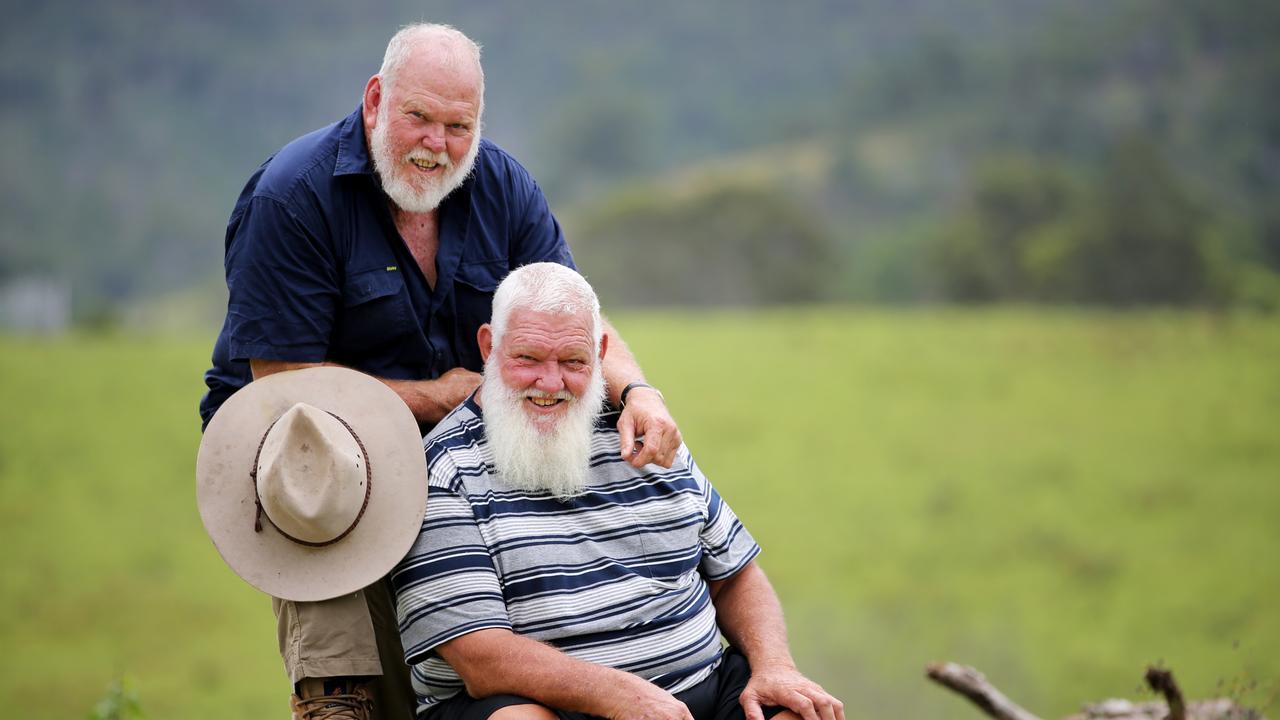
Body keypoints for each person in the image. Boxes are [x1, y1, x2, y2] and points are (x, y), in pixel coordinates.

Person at [197, 23, 681, 720]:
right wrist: (435, 399)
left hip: (459, 433)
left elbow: (573, 315)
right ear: (375, 101)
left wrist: (638, 390)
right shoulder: (291, 196)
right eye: (418, 117)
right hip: (307, 434)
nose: (437, 144)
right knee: (324, 496)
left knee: (486, 624)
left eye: (459, 126)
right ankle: (335, 694)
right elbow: (282, 381)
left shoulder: (503, 186)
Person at [393, 263, 843, 720]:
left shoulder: (647, 433)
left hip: (697, 695)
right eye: (527, 358)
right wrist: (620, 696)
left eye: (572, 361)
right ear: (489, 347)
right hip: (542, 707)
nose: (551, 383)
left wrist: (775, 667)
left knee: (795, 710)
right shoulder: (445, 468)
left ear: (601, 351)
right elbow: (481, 659)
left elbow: (736, 575)